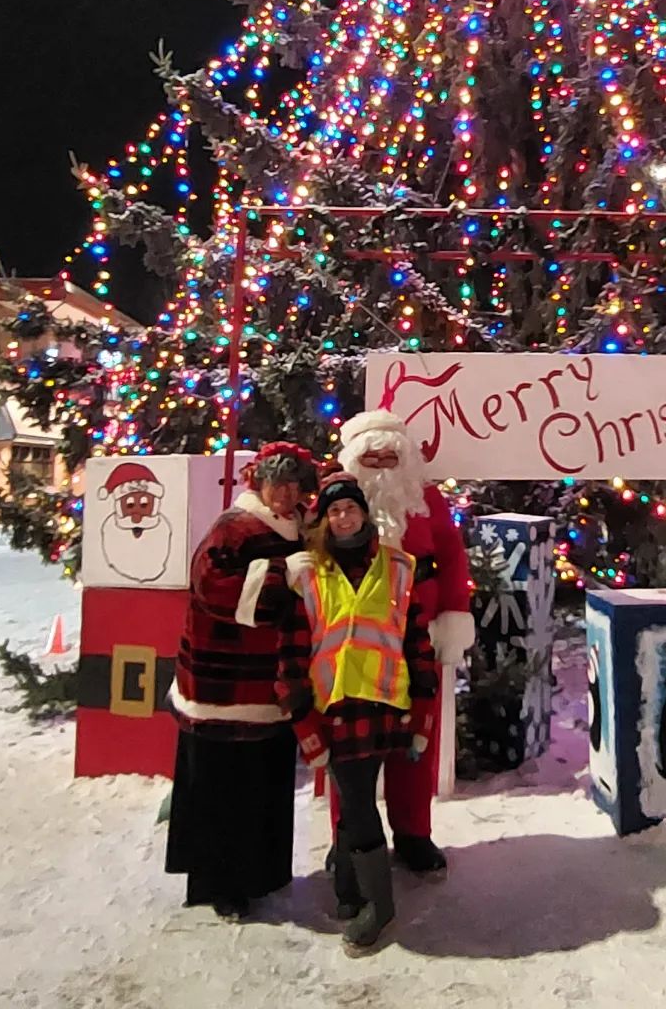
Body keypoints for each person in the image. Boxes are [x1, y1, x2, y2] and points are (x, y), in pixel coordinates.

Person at [278, 474, 438, 954]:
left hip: (387, 705)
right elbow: (289, 655)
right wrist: (304, 723)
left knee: (357, 801)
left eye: (350, 509)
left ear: (365, 514)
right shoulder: (307, 573)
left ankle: (372, 903)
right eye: (334, 512)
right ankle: (358, 891)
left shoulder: (400, 567)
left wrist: (424, 716)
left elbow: (417, 644)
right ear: (324, 521)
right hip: (337, 709)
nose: (344, 517)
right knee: (355, 800)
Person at [165, 442, 319, 920]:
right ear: (259, 483)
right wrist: (279, 575)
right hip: (223, 686)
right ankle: (220, 883)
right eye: (277, 483)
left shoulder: (298, 530)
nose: (285, 493)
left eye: (294, 485)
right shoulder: (232, 528)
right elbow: (212, 588)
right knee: (221, 789)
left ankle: (259, 873)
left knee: (262, 787)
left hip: (267, 686)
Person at [336, 409, 474, 873]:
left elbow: (452, 558)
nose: (381, 464)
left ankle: (414, 832)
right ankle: (349, 837)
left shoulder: (427, 499)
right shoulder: (337, 502)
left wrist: (454, 615)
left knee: (416, 741)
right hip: (351, 644)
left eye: (389, 456)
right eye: (371, 457)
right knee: (350, 746)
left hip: (421, 638)